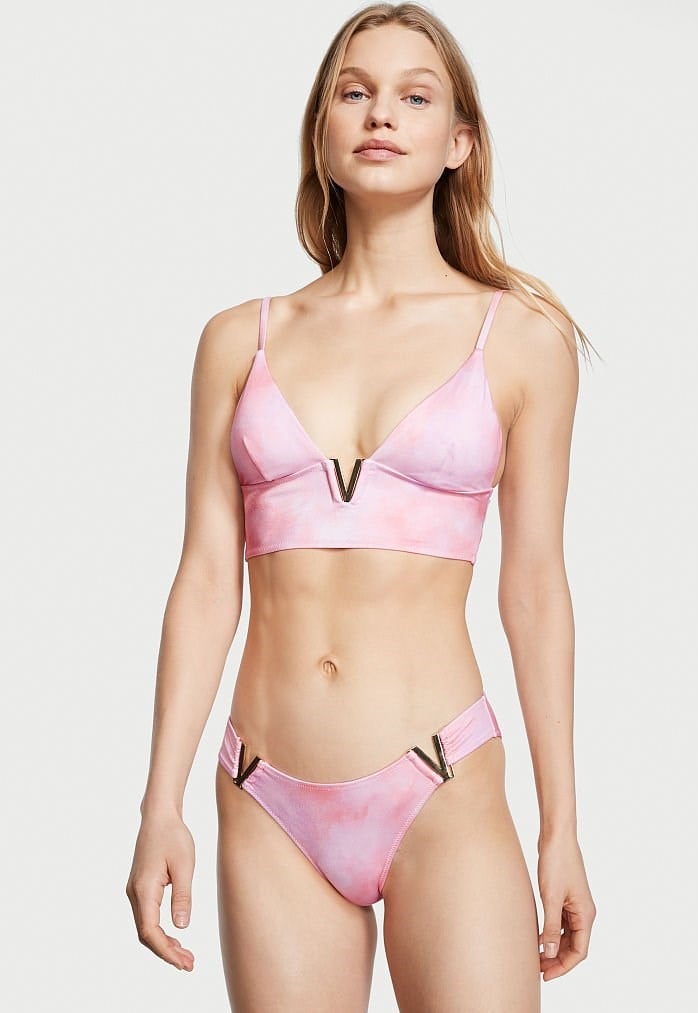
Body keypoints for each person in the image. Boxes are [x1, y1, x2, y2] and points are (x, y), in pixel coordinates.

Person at [126, 3, 598, 1009]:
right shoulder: (238, 339)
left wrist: (561, 826)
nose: (380, 114)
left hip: (440, 783)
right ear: (323, 130)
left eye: (414, 97)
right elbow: (205, 579)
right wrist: (159, 801)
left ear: (458, 142)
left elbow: (534, 588)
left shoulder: (521, 340)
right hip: (266, 792)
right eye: (355, 91)